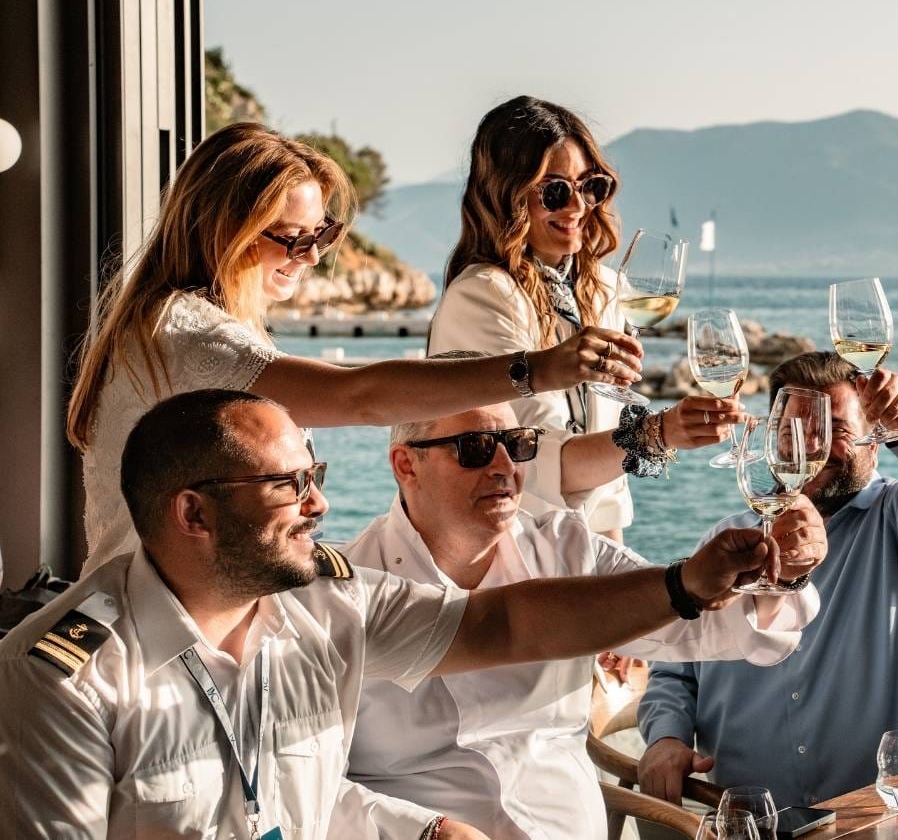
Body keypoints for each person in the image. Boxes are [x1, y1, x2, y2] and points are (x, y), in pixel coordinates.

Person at [0, 389, 784, 838]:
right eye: (288, 487)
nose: (319, 504)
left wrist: (687, 584)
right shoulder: (67, 677)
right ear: (193, 514)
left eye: (316, 475)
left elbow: (501, 625)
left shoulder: (327, 602)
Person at [66, 121, 737, 574]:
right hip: (156, 626)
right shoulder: (183, 333)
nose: (312, 257)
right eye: (292, 238)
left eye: (322, 236)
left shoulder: (191, 330)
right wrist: (537, 370)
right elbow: (358, 396)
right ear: (222, 229)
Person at [336, 385, 827, 839]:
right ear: (406, 464)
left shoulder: (565, 546)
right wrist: (426, 830)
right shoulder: (347, 593)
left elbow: (695, 626)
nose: (505, 466)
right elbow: (311, 776)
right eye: (476, 447)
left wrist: (782, 576)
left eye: (518, 444)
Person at [636, 352, 898, 809]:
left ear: (875, 439)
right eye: (792, 432)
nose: (811, 447)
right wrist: (666, 737)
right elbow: (675, 668)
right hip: (756, 817)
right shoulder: (726, 542)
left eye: (836, 429)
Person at [431, 97, 663, 539]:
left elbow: (606, 496)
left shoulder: (604, 289)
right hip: (502, 549)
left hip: (577, 552)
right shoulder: (482, 297)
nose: (577, 206)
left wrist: (615, 568)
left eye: (591, 186)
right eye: (554, 191)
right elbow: (540, 467)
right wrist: (659, 434)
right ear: (507, 195)